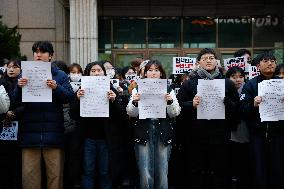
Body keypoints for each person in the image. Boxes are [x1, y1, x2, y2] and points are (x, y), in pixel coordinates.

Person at [14, 41, 74, 189]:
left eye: (43, 52)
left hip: (53, 135)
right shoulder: (24, 74)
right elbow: (14, 102)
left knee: (55, 177)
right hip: (30, 135)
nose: (38, 55)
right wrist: (19, 87)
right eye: (36, 52)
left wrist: (56, 87)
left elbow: (69, 97)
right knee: (29, 177)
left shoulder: (60, 75)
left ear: (51, 55)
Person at [177, 48, 239, 189]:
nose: (209, 60)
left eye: (211, 57)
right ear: (199, 62)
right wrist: (191, 104)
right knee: (196, 171)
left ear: (216, 61)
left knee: (220, 171)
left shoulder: (227, 83)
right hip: (195, 136)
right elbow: (178, 108)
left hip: (220, 135)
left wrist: (227, 102)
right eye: (205, 58)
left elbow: (236, 109)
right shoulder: (189, 83)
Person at [126, 59, 181, 189]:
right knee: (145, 170)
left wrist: (170, 102)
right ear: (145, 74)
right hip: (144, 130)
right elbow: (131, 113)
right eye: (150, 70)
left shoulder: (168, 89)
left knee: (162, 169)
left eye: (157, 70)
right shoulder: (137, 89)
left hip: (163, 129)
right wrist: (135, 102)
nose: (153, 73)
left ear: (161, 74)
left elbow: (175, 113)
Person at [73, 61, 123, 189]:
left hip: (106, 140)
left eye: (99, 70)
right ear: (88, 73)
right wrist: (77, 99)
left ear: (104, 73)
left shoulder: (111, 89)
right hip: (88, 139)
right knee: (88, 171)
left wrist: (114, 100)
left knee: (105, 172)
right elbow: (72, 114)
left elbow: (121, 116)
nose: (96, 73)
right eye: (93, 71)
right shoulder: (81, 89)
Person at [240, 51, 284, 189]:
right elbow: (241, 110)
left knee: (279, 171)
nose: (270, 63)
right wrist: (253, 104)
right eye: (266, 61)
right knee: (259, 171)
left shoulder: (282, 83)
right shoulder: (250, 85)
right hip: (258, 136)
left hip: (280, 135)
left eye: (272, 61)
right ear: (258, 65)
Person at [226, 66, 251, 189]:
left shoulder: (249, 90)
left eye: (241, 77)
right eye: (234, 77)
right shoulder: (225, 90)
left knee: (244, 160)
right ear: (228, 78)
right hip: (229, 132)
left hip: (245, 130)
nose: (238, 80)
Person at [0, 59, 22, 189]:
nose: (11, 69)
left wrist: (15, 112)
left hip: (21, 126)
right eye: (9, 67)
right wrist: (4, 114)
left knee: (18, 162)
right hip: (3, 125)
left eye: (15, 67)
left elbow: (28, 104)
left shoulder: (24, 83)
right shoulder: (1, 83)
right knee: (4, 162)